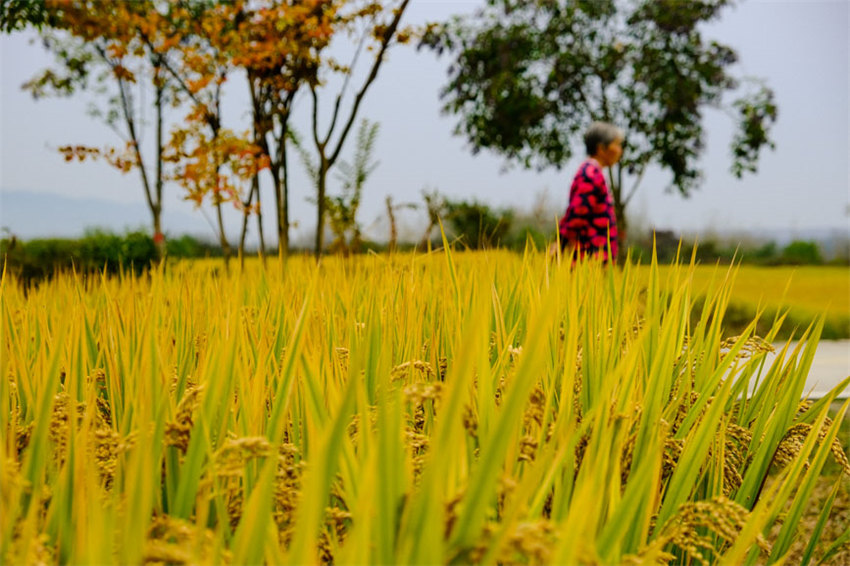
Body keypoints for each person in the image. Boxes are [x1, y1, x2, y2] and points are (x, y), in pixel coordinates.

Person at [556, 122, 624, 264]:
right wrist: (561, 243)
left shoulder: (593, 172)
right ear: (601, 148)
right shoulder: (590, 173)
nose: (620, 150)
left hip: (594, 257)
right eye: (616, 144)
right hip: (588, 257)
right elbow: (578, 211)